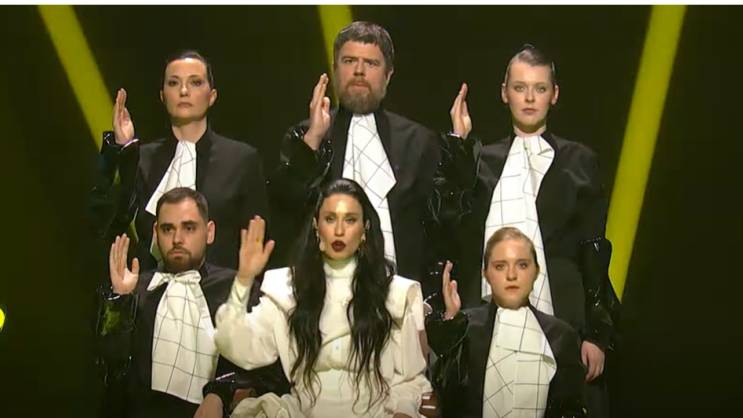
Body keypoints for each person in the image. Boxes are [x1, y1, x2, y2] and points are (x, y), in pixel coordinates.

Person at [432, 44, 618, 416]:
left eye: (540, 88)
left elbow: (593, 248)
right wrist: (460, 145)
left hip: (563, 317)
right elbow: (449, 224)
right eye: (520, 88)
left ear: (554, 94)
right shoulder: (482, 161)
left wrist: (596, 333)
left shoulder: (579, 161)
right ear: (505, 93)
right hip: (487, 318)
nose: (530, 98)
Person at [214, 178, 432, 417]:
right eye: (330, 219)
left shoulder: (393, 294)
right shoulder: (287, 289)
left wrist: (403, 412)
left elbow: (411, 380)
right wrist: (244, 279)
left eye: (350, 220)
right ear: (316, 226)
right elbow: (239, 348)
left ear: (365, 229)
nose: (339, 231)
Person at [267, 21, 440, 289]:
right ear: (334, 70)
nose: (359, 71)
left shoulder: (417, 142)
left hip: (400, 292)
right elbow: (283, 210)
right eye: (349, 61)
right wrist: (313, 139)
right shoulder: (305, 136)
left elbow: (436, 230)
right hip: (319, 292)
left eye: (371, 63)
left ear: (388, 75)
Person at [97, 188, 288, 418]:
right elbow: (111, 367)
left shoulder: (236, 288)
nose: (177, 239)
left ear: (209, 232)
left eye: (189, 228)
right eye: (167, 229)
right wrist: (120, 300)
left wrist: (221, 393)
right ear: (155, 233)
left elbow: (268, 372)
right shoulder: (137, 288)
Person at [90, 50, 267, 272]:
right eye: (174, 83)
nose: (184, 91)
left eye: (195, 82)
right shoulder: (141, 159)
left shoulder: (241, 160)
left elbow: (259, 243)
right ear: (163, 96)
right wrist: (122, 150)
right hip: (151, 289)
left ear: (212, 96)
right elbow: (104, 221)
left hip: (223, 290)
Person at [426, 227, 586, 418]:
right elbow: (446, 397)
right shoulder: (465, 328)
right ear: (486, 274)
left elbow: (570, 408)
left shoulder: (560, 336)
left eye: (522, 265)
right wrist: (451, 322)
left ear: (536, 272)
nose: (511, 275)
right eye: (500, 266)